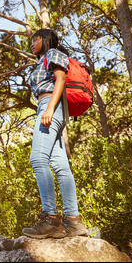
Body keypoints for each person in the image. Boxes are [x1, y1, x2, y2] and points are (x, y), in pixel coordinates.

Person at [22, 29, 88, 239]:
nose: (32, 43)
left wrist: (49, 109)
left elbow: (60, 79)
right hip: (47, 105)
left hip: (51, 105)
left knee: (37, 158)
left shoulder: (53, 54)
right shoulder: (42, 60)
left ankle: (50, 219)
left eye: (36, 39)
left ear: (46, 39)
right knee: (60, 165)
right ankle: (73, 221)